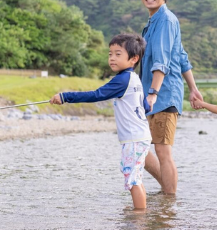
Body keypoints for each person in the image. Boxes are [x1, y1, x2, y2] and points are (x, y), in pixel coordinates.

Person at [50, 33, 152, 209]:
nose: (112, 58)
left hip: (134, 139)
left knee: (133, 179)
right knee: (135, 177)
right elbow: (146, 107)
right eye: (110, 53)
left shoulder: (122, 79)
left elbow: (96, 95)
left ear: (133, 59)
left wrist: (65, 96)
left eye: (118, 54)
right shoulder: (135, 79)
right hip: (140, 136)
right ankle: (140, 216)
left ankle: (139, 220)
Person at [133, 0, 203, 195]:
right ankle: (167, 191)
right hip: (152, 94)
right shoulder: (152, 22)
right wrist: (193, 88)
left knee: (163, 151)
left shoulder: (165, 20)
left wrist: (153, 92)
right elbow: (181, 56)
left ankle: (169, 203)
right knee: (139, 146)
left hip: (162, 95)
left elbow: (162, 61)